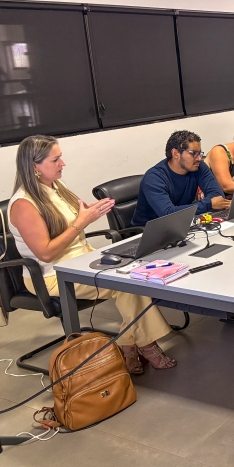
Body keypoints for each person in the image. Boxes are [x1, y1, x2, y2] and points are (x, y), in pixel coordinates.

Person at [9, 135, 176, 375]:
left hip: (81, 259)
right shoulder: (23, 205)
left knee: (133, 273)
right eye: (56, 159)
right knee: (125, 284)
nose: (62, 163)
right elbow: (45, 253)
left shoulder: (56, 187)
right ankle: (147, 346)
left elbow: (75, 217)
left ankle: (129, 345)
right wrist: (81, 222)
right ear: (34, 166)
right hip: (52, 274)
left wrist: (90, 212)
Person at [132, 130, 228, 226]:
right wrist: (208, 204)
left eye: (199, 153)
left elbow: (218, 196)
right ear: (176, 153)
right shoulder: (154, 178)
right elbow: (168, 213)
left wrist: (209, 203)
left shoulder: (198, 166)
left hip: (183, 223)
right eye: (193, 153)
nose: (199, 158)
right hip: (148, 231)